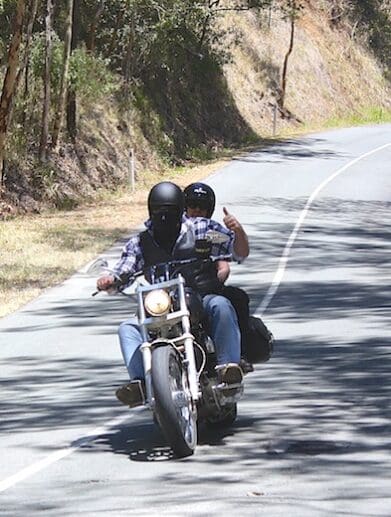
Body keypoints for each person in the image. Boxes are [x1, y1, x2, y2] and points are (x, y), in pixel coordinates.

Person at [97, 181, 245, 408]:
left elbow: (238, 252)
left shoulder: (202, 229)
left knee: (221, 304)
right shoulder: (140, 242)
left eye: (170, 211)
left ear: (179, 210)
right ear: (150, 211)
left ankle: (228, 368)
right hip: (160, 306)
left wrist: (237, 231)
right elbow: (123, 268)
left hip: (199, 296)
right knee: (128, 328)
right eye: (159, 211)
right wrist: (109, 280)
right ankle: (141, 382)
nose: (164, 217)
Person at [184, 182, 253, 370]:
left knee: (233, 300)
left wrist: (237, 230)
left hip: (203, 291)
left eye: (202, 207)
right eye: (192, 204)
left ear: (209, 209)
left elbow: (237, 254)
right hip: (172, 295)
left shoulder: (209, 231)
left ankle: (235, 359)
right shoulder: (167, 231)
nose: (197, 210)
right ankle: (144, 379)